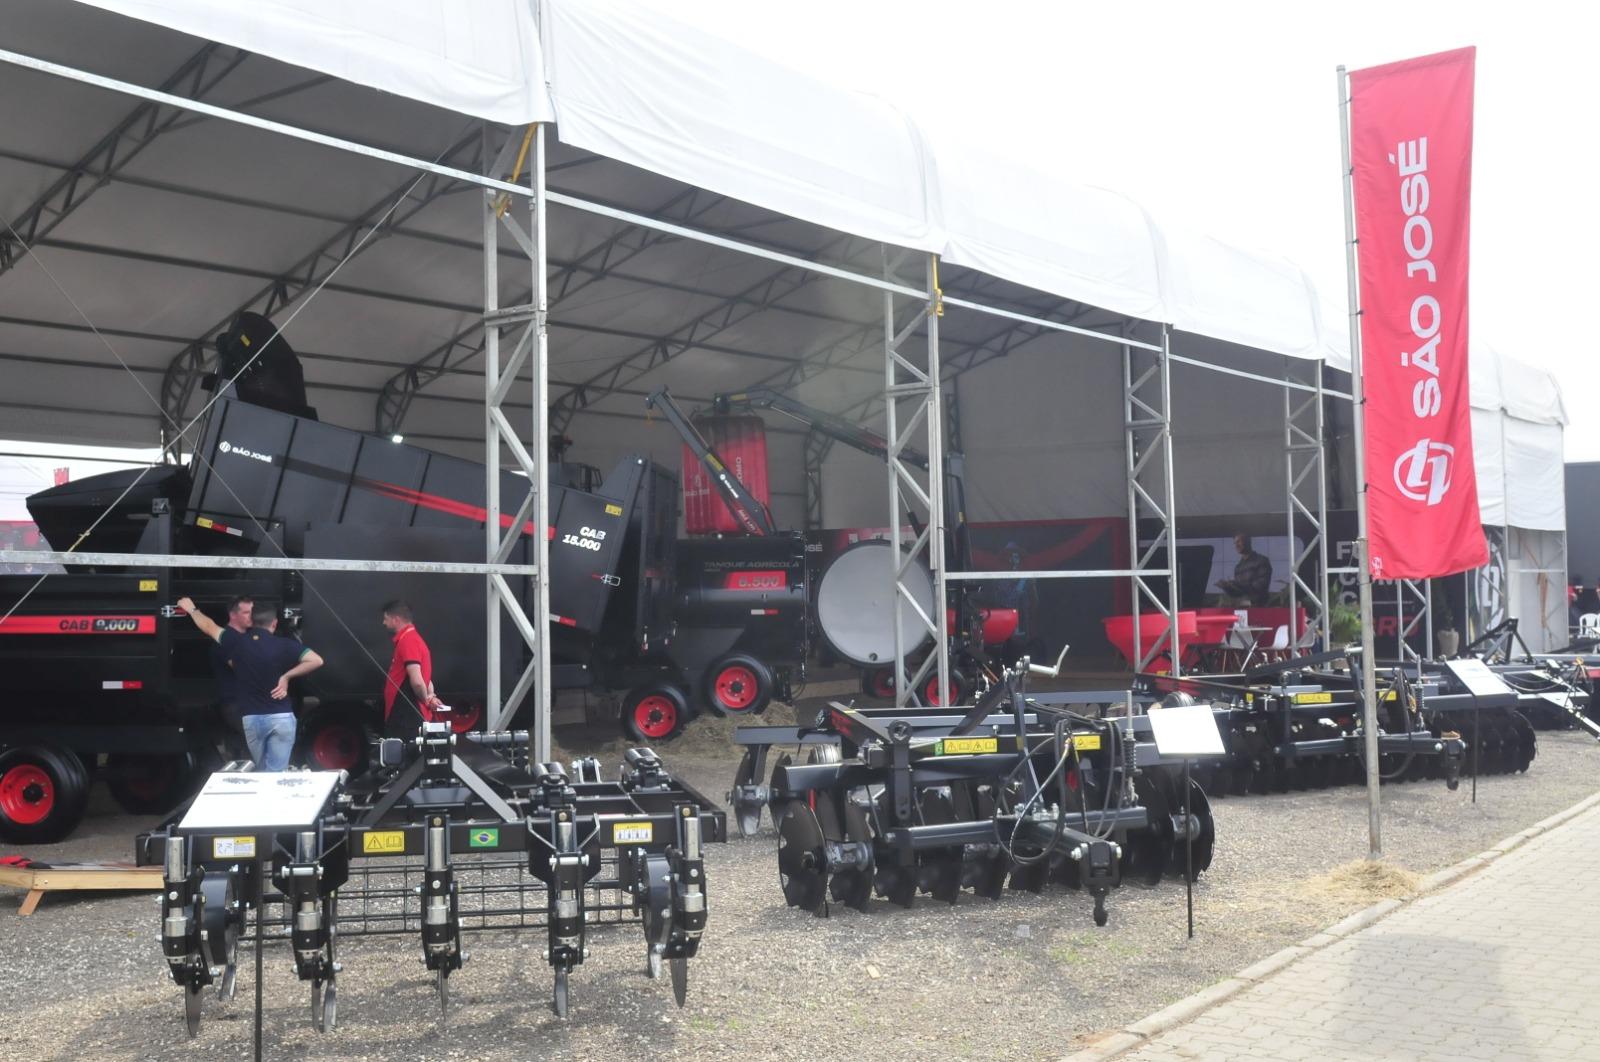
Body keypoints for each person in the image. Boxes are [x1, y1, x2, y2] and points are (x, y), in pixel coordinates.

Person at [177, 596, 323, 771]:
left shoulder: (237, 643)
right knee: (276, 770)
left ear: (252, 622)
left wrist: (192, 609)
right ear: (275, 623)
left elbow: (209, 627)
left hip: (252, 718)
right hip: (281, 716)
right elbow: (316, 660)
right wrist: (286, 677)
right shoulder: (285, 645)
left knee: (260, 771)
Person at [381, 599, 441, 738]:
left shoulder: (408, 640)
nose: (383, 623)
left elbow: (418, 681)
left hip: (407, 716)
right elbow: (426, 677)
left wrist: (426, 699)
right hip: (407, 714)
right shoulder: (411, 639)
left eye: (385, 619)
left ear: (396, 619)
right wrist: (430, 696)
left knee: (404, 755)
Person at [208, 594, 254, 752]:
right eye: (246, 612)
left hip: (244, 704)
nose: (251, 616)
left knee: (241, 750)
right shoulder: (227, 639)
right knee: (255, 746)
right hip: (236, 705)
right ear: (233, 615)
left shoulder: (244, 638)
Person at [1217, 534, 1272, 606]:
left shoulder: (1261, 561)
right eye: (1235, 543)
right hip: (1241, 606)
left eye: (1239, 541)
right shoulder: (1238, 567)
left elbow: (1261, 587)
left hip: (1259, 608)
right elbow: (1237, 593)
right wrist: (1227, 587)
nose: (1236, 545)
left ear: (1248, 541)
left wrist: (1237, 584)